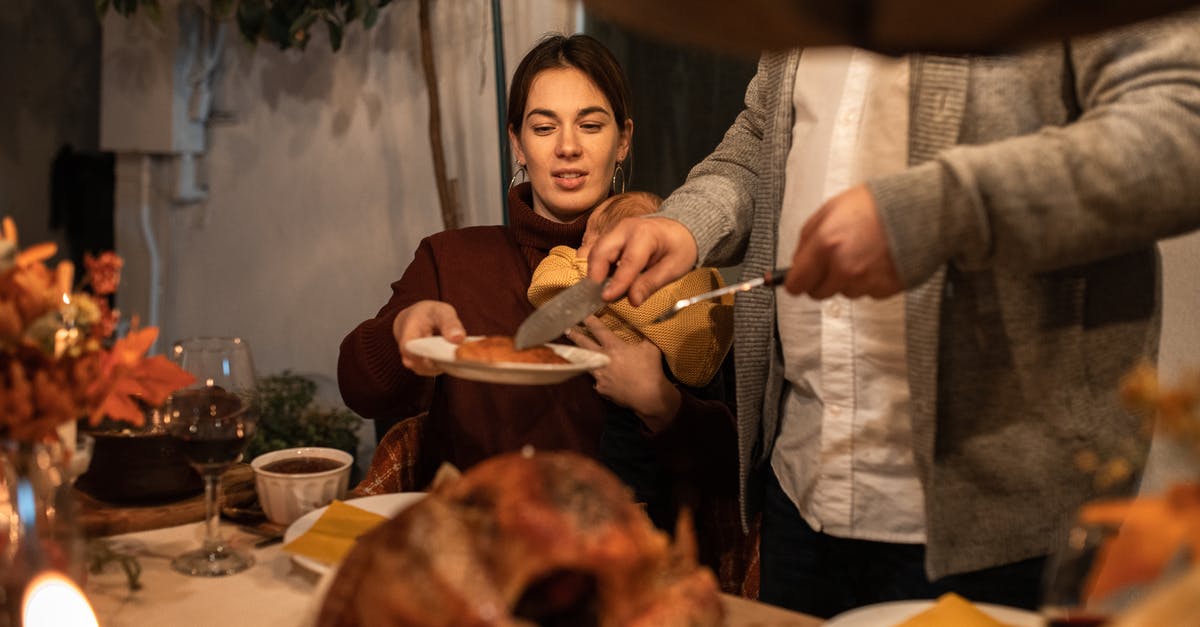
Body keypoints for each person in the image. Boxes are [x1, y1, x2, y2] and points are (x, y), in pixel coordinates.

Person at [585, 11, 1200, 618]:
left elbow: (1178, 130)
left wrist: (938, 207)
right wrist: (685, 222)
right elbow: (763, 135)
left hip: (1002, 514)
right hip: (803, 482)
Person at [337, 36, 746, 588]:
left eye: (592, 124)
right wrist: (399, 337)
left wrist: (663, 406)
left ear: (623, 140)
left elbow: (735, 478)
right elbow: (360, 389)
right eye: (544, 126)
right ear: (517, 144)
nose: (568, 147)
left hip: (627, 580)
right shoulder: (452, 259)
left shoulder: (671, 264)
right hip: (474, 572)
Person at [527, 190, 735, 529]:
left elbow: (545, 284)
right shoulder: (696, 295)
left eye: (584, 242)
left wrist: (569, 255)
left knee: (623, 460)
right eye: (544, 130)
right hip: (682, 401)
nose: (578, 250)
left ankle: (625, 509)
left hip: (635, 414)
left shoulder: (604, 284)